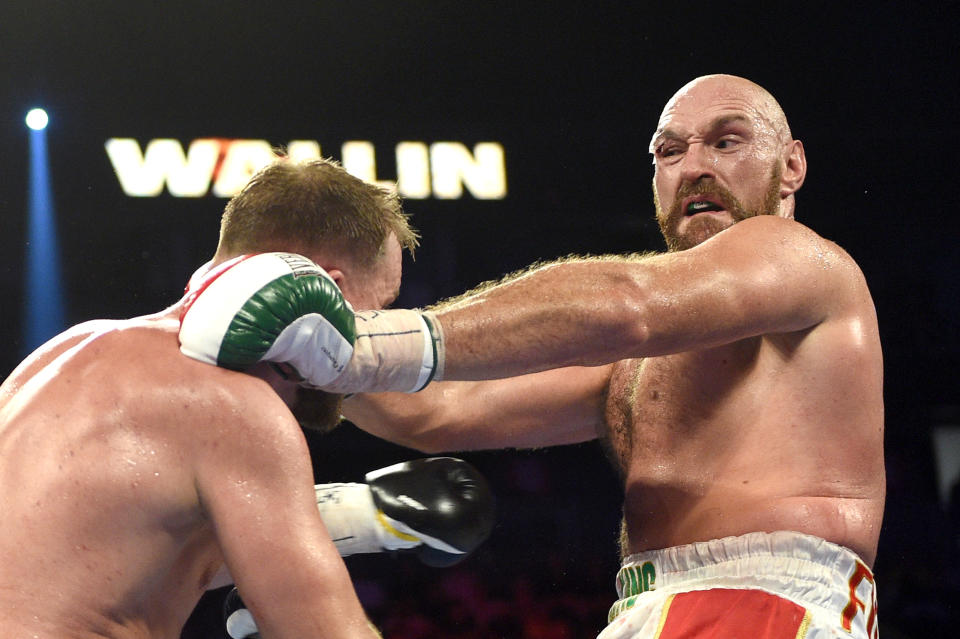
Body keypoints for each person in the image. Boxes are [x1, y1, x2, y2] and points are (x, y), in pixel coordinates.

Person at [182, 75, 883, 637]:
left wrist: (357, 342)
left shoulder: (806, 264)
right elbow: (438, 408)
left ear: (791, 165)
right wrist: (307, 329)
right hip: (647, 604)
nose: (694, 166)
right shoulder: (629, 368)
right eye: (669, 152)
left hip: (772, 602)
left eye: (725, 141)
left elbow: (628, 303)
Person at [0, 158, 493, 639]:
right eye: (378, 311)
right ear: (328, 293)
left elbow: (116, 553)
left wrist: (369, 515)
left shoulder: (61, 356)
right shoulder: (231, 409)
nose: (372, 339)